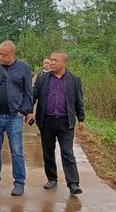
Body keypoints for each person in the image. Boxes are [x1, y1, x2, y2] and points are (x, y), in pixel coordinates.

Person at [26, 51, 85, 196]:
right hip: (46, 121)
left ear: (64, 63)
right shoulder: (43, 78)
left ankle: (73, 184)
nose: (52, 63)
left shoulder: (74, 80)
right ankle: (52, 178)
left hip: (66, 122)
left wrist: (81, 119)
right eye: (51, 60)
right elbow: (34, 95)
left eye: (55, 60)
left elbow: (79, 101)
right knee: (48, 152)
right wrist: (28, 111)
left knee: (67, 152)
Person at [0, 41, 32, 196]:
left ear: (12, 54)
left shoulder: (23, 68)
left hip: (14, 117)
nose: (0, 57)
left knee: (17, 151)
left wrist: (26, 111)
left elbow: (28, 91)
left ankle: (19, 183)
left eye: (3, 55)